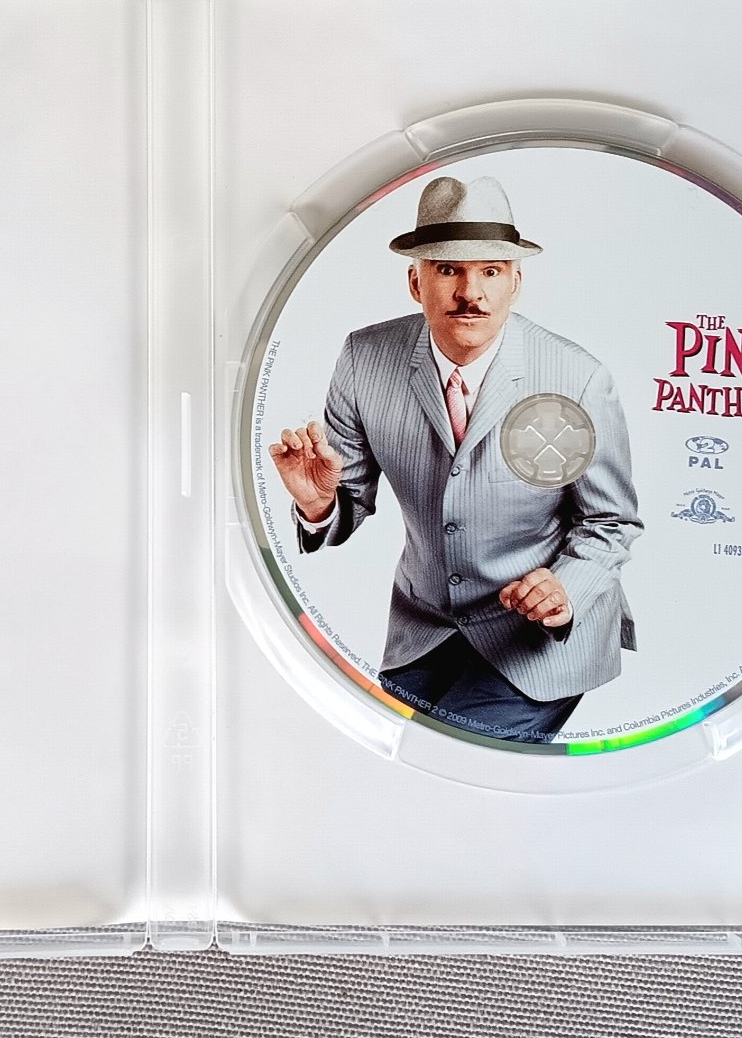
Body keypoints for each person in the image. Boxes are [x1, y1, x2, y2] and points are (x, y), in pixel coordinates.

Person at [269, 174, 642, 743]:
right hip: (424, 631)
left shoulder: (578, 377)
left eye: (490, 271)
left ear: (516, 282)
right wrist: (319, 504)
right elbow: (348, 501)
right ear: (414, 282)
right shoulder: (364, 358)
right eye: (448, 269)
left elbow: (611, 521)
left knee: (446, 759)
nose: (472, 293)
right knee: (377, 754)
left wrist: (564, 588)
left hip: (537, 641)